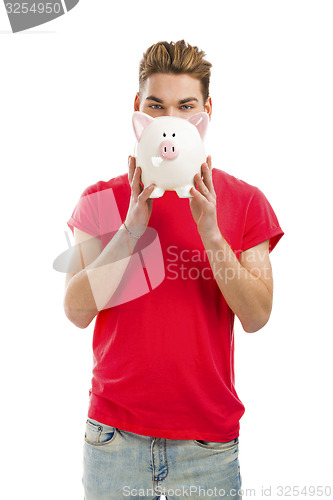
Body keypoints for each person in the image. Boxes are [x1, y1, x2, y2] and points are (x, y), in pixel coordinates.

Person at [64, 40, 284, 500]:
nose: (171, 121)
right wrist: (130, 230)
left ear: (205, 112)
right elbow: (77, 310)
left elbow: (258, 316)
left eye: (185, 107)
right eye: (156, 106)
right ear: (138, 113)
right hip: (112, 439)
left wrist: (211, 231)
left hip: (208, 445)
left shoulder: (245, 202)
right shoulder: (100, 199)